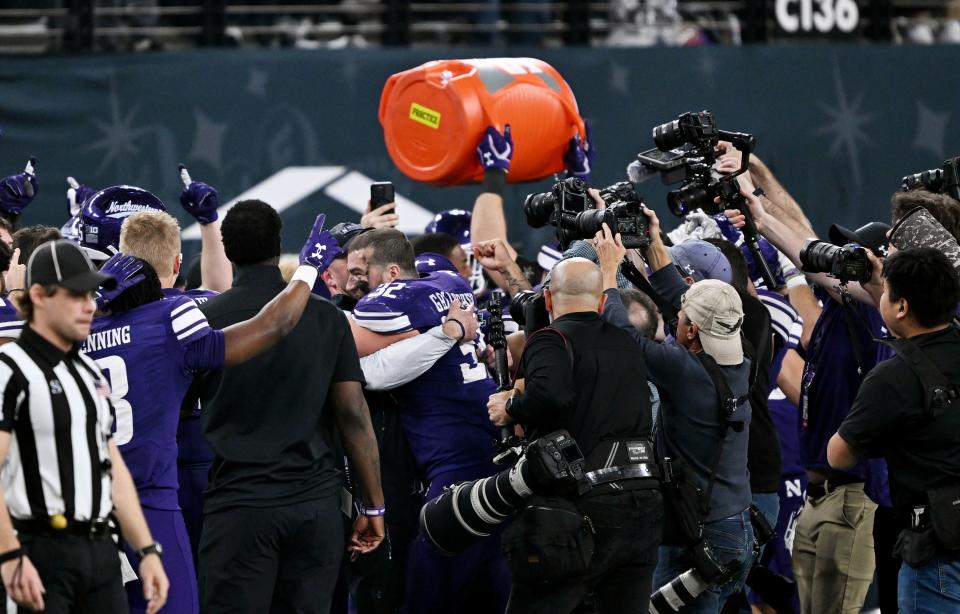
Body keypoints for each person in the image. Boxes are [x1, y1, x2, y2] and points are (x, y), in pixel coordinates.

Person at [194, 200, 385, 613]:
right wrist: (373, 505)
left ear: (226, 250)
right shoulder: (327, 318)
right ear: (278, 246)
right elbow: (353, 415)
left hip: (239, 510)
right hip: (313, 510)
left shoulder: (201, 320)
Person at [596, 216, 756, 613]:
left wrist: (609, 273)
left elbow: (623, 334)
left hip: (698, 538)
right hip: (737, 528)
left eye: (681, 321)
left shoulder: (683, 371)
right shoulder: (743, 362)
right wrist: (654, 247)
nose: (675, 321)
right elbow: (685, 307)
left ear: (690, 334)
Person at [486, 254, 662, 613]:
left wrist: (511, 406)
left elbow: (551, 395)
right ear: (601, 302)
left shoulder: (551, 338)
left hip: (582, 505)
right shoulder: (628, 341)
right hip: (643, 501)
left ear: (548, 299)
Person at [346, 228, 509, 614]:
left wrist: (443, 334)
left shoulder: (395, 301)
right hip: (488, 450)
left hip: (455, 465)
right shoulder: (449, 283)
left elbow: (364, 368)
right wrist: (443, 330)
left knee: (426, 592)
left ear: (389, 276)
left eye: (360, 273)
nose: (354, 284)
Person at [0, 239, 168, 613]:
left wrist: (146, 549)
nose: (89, 305)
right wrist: (9, 554)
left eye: (91, 294)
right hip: (36, 549)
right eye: (76, 295)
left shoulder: (89, 372)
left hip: (100, 551)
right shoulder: (8, 368)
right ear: (40, 295)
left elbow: (112, 468)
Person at [828, 247, 960, 613]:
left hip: (938, 551)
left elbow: (838, 454)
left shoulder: (893, 376)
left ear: (901, 307)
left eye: (884, 291)